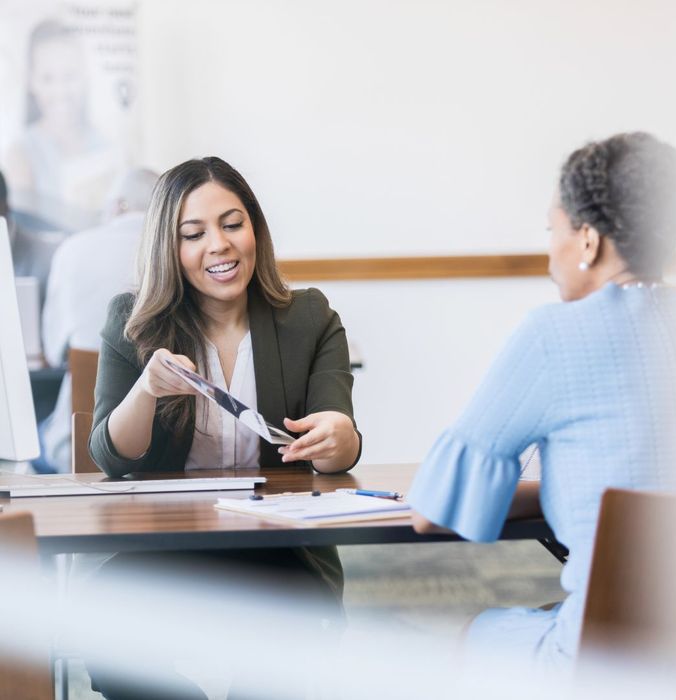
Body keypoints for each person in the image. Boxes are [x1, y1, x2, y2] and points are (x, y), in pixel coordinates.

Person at [408, 132, 676, 672]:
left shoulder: (554, 334)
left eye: (553, 229)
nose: (550, 250)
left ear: (587, 240)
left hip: (601, 660)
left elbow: (432, 512)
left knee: (460, 628)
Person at [86, 156, 361, 699]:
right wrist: (146, 390)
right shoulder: (131, 321)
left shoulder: (309, 317)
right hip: (165, 549)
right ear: (170, 247)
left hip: (282, 551)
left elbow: (339, 445)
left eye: (233, 224)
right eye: (194, 233)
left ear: (254, 228)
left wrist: (337, 436)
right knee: (105, 625)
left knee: (288, 644)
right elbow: (110, 458)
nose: (219, 245)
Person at [33, 168, 159, 473]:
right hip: (160, 444)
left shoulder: (72, 249)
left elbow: (52, 351)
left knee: (34, 439)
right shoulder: (173, 250)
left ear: (117, 205)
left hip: (76, 440)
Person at [4, 19, 120, 231]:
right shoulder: (21, 154)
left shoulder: (106, 145)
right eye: (48, 78)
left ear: (85, 76)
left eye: (70, 76)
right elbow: (25, 235)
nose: (61, 90)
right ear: (31, 81)